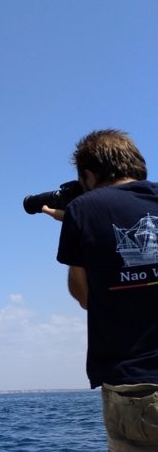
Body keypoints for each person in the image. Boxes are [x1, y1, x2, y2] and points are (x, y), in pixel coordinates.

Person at [41, 129, 158, 450]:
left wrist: (77, 222)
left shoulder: (84, 210)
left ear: (89, 175)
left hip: (137, 386)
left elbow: (83, 295)